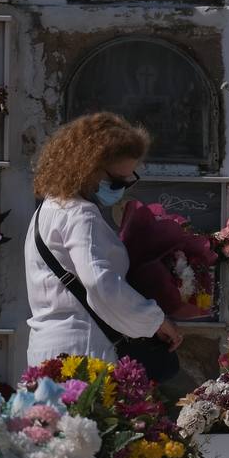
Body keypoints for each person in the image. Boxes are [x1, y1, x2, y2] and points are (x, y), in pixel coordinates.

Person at [26, 112, 182, 364]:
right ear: (86, 168)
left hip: (48, 348)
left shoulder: (48, 209)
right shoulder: (80, 214)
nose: (120, 189)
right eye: (117, 180)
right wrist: (154, 320)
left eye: (128, 180)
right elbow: (101, 283)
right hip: (83, 351)